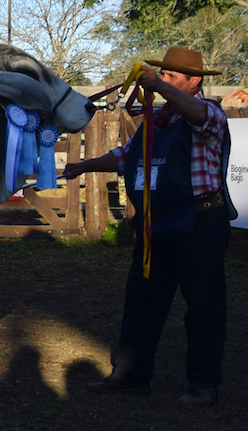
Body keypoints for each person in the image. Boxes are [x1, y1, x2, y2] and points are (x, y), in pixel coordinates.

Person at [64, 47, 233, 406]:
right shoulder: (159, 120)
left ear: (194, 81)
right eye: (163, 74)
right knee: (142, 300)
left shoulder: (209, 113)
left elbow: (199, 115)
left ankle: (203, 383)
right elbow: (127, 156)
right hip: (158, 224)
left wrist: (158, 85)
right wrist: (83, 166)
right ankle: (131, 375)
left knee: (204, 304)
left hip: (200, 221)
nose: (164, 81)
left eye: (172, 76)